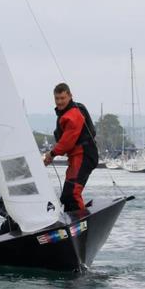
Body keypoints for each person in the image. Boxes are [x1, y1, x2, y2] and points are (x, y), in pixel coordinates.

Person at [43, 83, 99, 211]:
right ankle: (70, 220)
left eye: (62, 98)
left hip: (84, 155)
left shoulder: (73, 114)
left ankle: (81, 223)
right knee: (67, 196)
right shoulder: (66, 113)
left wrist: (51, 154)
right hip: (76, 157)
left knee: (72, 193)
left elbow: (67, 142)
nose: (60, 102)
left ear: (70, 96)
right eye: (57, 98)